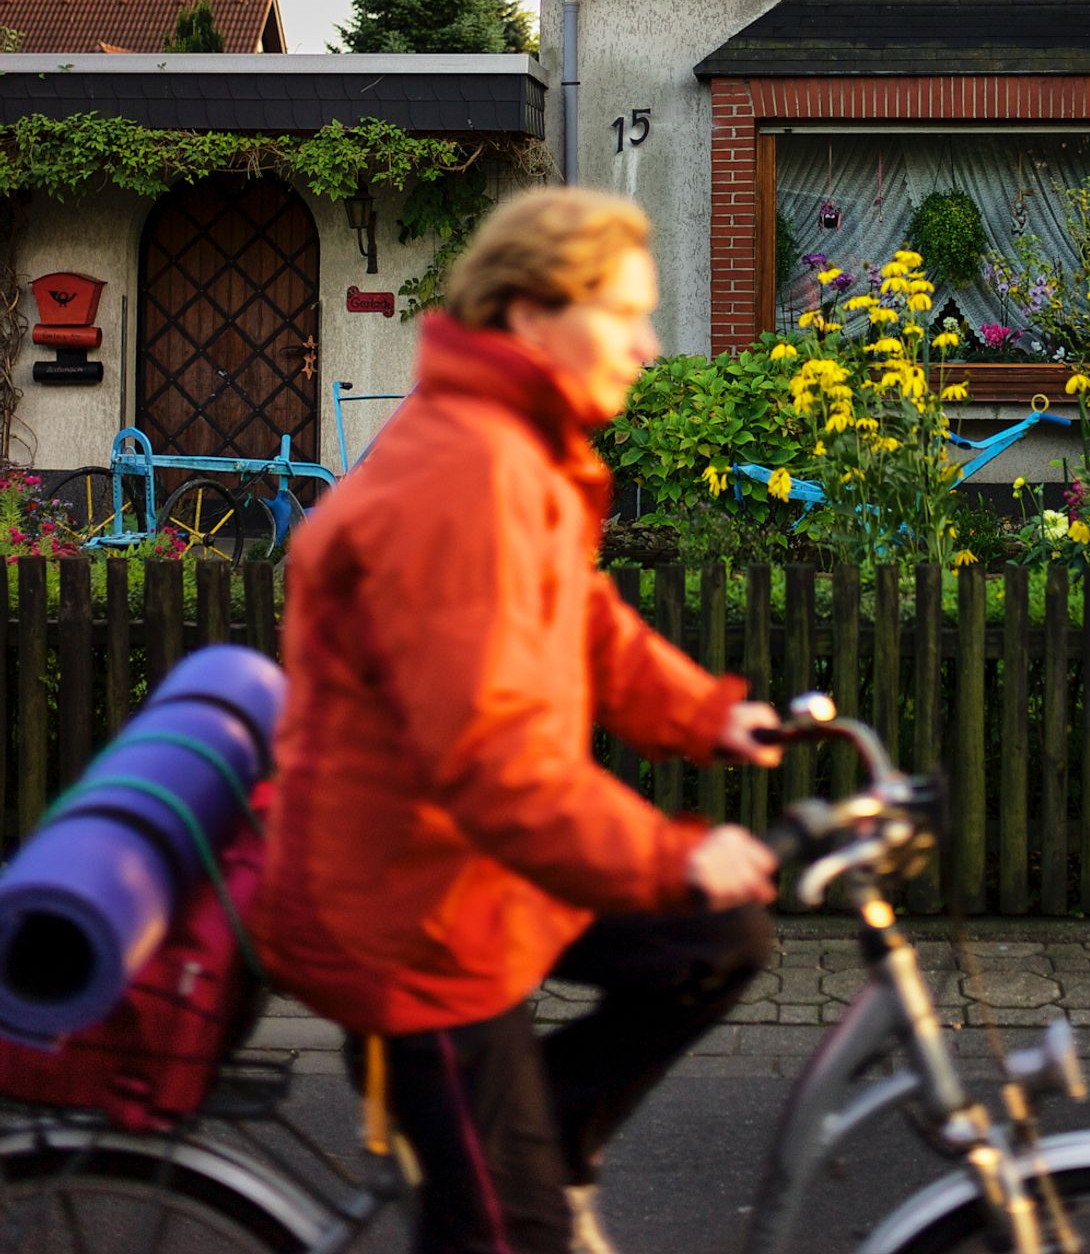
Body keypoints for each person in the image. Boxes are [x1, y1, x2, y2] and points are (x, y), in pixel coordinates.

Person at [251, 188, 782, 1254]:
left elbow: (581, 618)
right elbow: (494, 764)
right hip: (413, 922)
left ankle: (544, 1139)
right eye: (624, 313)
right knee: (511, 1231)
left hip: (470, 873)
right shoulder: (469, 474)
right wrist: (678, 854)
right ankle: (512, 1172)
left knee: (716, 936)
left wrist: (706, 714)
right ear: (535, 314)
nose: (647, 344)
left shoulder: (513, 450)